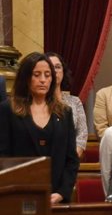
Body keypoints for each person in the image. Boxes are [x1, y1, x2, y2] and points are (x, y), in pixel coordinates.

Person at [0, 52, 79, 203]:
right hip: (18, 197)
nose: (43, 80)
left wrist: (62, 192)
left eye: (47, 75)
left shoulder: (64, 112)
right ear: (26, 77)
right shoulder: (7, 110)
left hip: (57, 198)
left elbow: (71, 159)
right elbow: (3, 156)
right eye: (37, 74)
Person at [46, 52, 87, 158]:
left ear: (63, 71)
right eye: (50, 67)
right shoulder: (38, 102)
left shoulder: (75, 101)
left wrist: (71, 159)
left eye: (58, 67)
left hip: (70, 161)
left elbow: (81, 136)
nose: (54, 70)